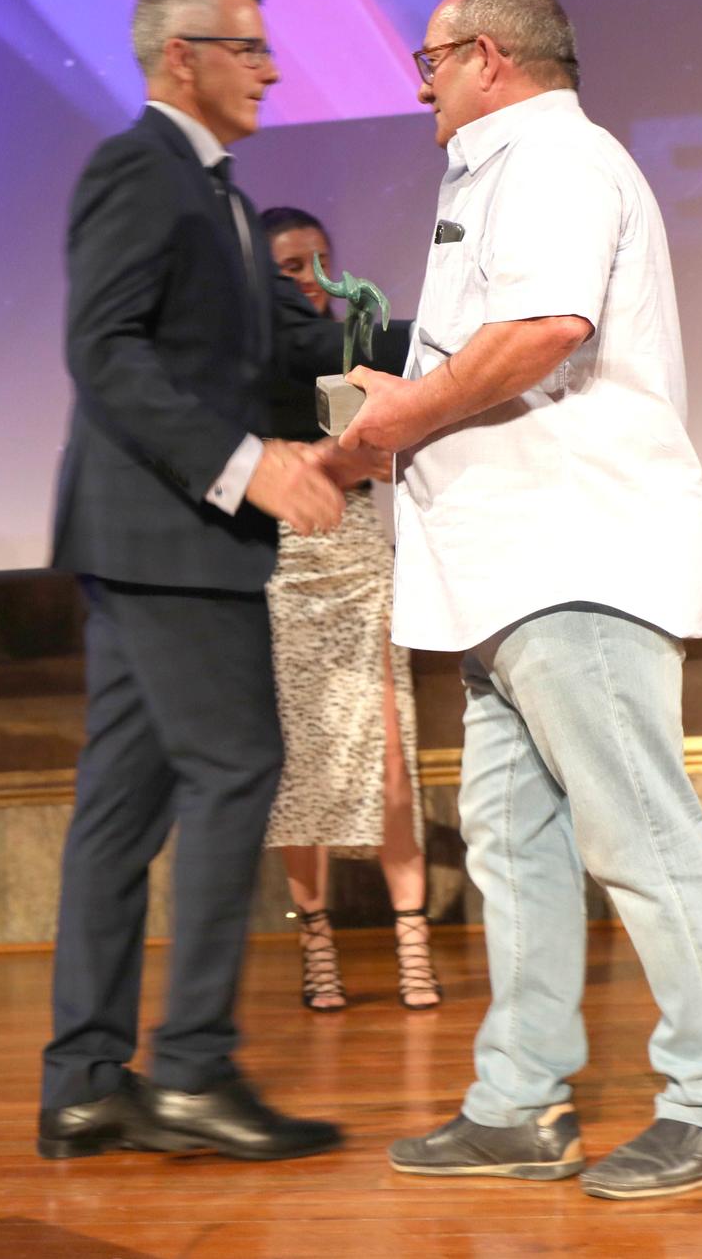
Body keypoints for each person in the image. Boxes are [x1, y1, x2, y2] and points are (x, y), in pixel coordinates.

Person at [343, 0, 702, 1200]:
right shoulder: (495, 170)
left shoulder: (555, 163)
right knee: (514, 847)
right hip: (499, 567)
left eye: (426, 61)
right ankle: (517, 1100)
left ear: (486, 58)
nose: (416, 86)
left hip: (569, 551)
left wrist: (393, 418)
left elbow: (542, 331)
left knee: (637, 830)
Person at [38, 0, 363, 1163]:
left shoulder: (220, 197)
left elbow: (281, 345)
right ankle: (189, 1070)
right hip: (167, 533)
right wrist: (247, 464)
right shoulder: (139, 168)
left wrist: (411, 368)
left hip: (156, 541)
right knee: (239, 768)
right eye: (250, 49)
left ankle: (81, 1084)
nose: (271, 70)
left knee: (119, 813)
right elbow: (105, 352)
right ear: (183, 57)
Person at [256, 206, 441, 1013]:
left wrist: (321, 460)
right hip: (278, 562)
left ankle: (413, 944)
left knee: (390, 754)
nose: (313, 279)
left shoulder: (355, 350)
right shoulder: (248, 352)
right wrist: (318, 463)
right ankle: (318, 943)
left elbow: (378, 455)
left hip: (358, 557)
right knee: (299, 763)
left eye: (321, 261)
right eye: (293, 266)